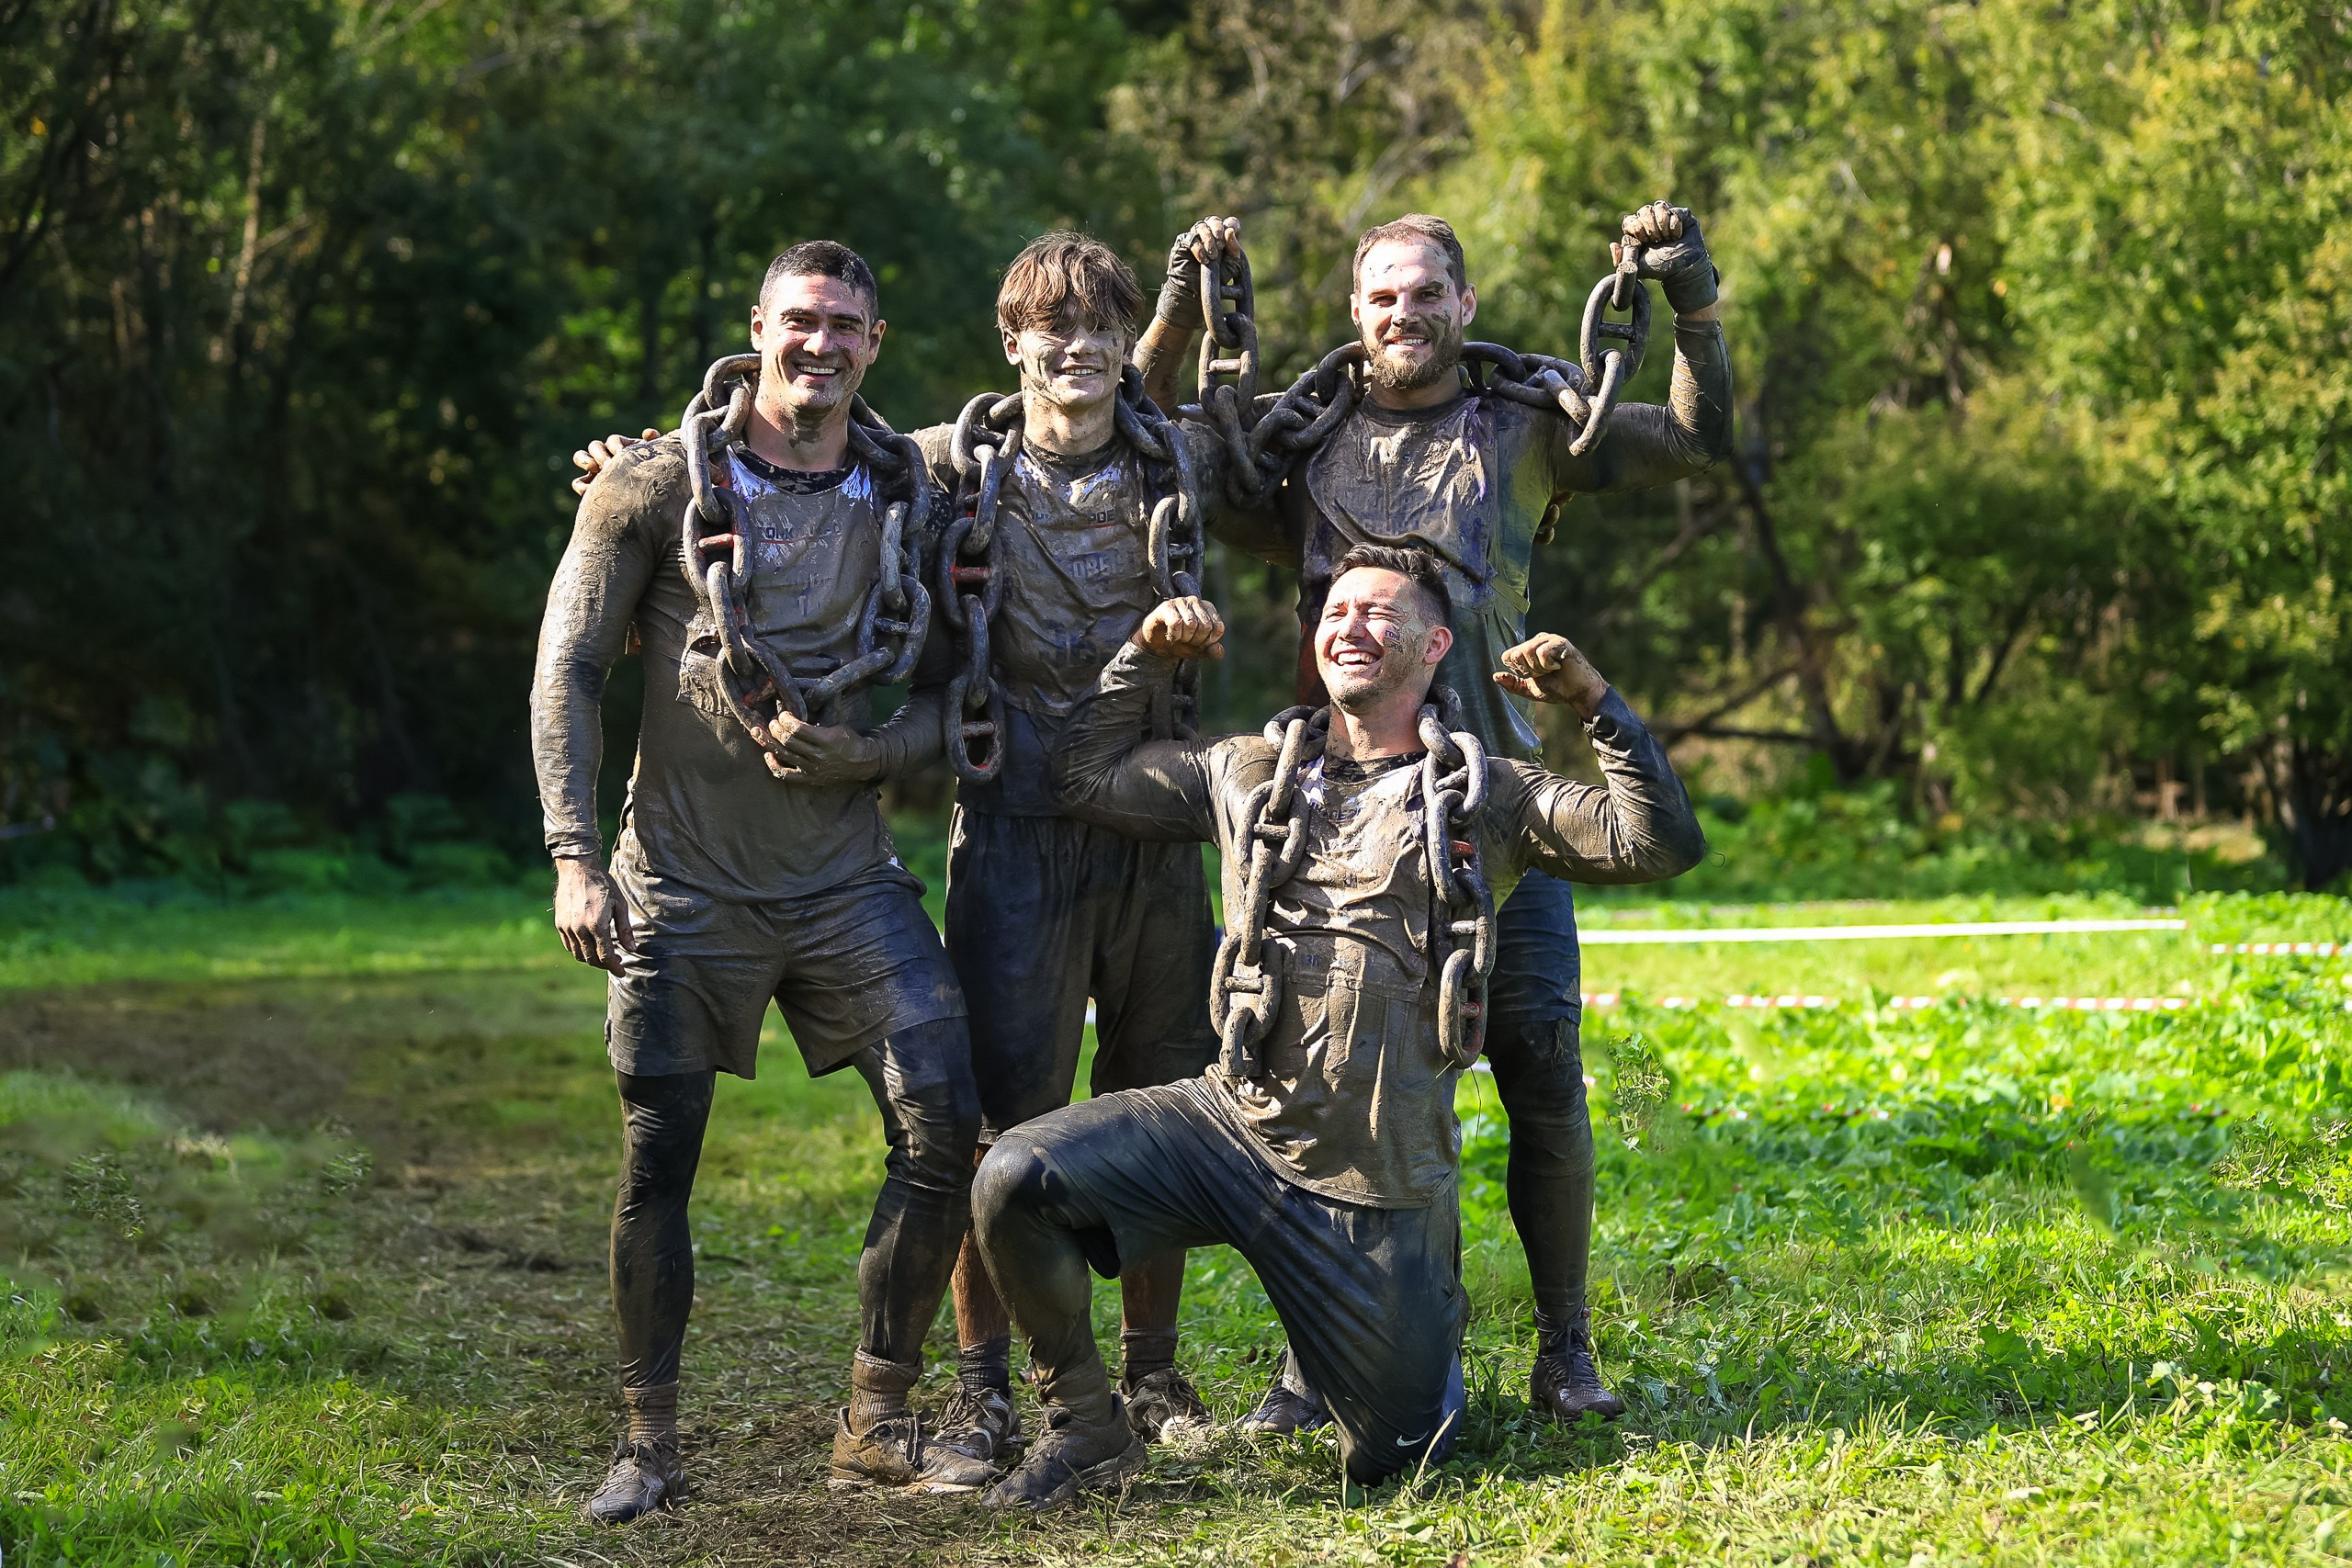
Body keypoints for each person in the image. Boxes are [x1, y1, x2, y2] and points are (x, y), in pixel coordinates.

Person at [1135, 204, 1733, 1427]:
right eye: (1381, 298)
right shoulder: (1300, 445)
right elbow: (1146, 442)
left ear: (1463, 305)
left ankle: (1565, 1345)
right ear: (1357, 316)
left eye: (1424, 294)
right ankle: (1313, 1358)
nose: (1402, 314)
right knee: (1322, 1091)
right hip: (1335, 824)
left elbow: (1687, 435)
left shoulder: (1522, 421)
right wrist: (1180, 311)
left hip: (1497, 808)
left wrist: (1696, 307)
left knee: (1540, 1072)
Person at [968, 546, 1705, 1509]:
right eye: (1335, 611)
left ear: (1436, 644)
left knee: (1399, 1456)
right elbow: (1084, 774)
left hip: (1373, 1180)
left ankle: (1413, 1321)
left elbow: (1655, 842)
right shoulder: (1243, 771)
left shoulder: (1494, 794)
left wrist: (1593, 699)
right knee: (1012, 1178)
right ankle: (1087, 1427)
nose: (1349, 626)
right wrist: (1144, 656)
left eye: (1379, 613)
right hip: (1228, 1131)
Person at [761, 229, 1250, 1481]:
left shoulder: (1175, 456)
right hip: (1015, 835)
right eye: (1051, 324)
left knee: (1158, 1099)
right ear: (1012, 341)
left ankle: (1148, 1369)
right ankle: (990, 1388)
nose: (1074, 345)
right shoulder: (942, 470)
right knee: (999, 1122)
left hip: (1153, 835)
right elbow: (775, 442)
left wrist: (1198, 310)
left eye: (1102, 325)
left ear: (1122, 343)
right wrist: (644, 460)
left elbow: (1275, 437)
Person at [532, 240, 993, 1522]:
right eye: (801, 319)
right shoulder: (654, 484)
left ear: (877, 344)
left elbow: (960, 694)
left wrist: (873, 749)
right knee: (656, 1155)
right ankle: (648, 1437)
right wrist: (575, 854)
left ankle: (876, 1415)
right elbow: (569, 665)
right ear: (759, 326)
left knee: (941, 1117)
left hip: (846, 878)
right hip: (681, 880)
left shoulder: (915, 496)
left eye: (847, 324)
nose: (821, 344)